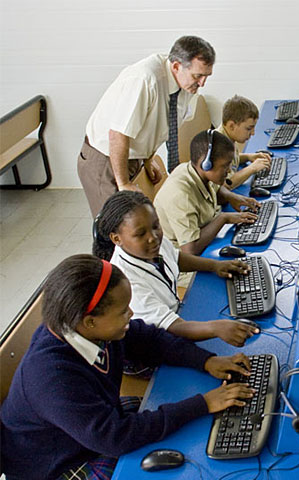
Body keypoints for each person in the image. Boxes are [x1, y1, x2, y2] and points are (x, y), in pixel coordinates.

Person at [0, 254, 255, 480]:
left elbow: (150, 340)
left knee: (172, 420)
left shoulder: (87, 329)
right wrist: (204, 403)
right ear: (90, 322)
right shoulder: (52, 379)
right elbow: (114, 437)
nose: (131, 314)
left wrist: (207, 361)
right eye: (123, 311)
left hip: (89, 428)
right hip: (59, 465)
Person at [93, 191, 257, 345]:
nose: (153, 237)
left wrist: (215, 265)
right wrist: (215, 328)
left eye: (156, 226)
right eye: (140, 234)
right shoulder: (129, 284)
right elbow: (173, 326)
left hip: (177, 314)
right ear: (117, 239)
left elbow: (176, 258)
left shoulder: (150, 244)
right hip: (160, 342)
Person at [78, 35, 216, 218]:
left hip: (131, 156)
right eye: (198, 76)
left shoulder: (185, 84)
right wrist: (123, 183)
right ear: (176, 66)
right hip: (106, 159)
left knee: (136, 222)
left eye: (207, 76)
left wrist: (148, 160)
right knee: (118, 226)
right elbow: (118, 134)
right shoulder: (145, 79)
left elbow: (160, 125)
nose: (202, 83)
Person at [154, 130, 259, 255]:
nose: (229, 170)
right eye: (225, 166)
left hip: (203, 237)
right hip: (180, 258)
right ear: (206, 164)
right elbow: (190, 250)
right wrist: (223, 218)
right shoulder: (181, 196)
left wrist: (231, 197)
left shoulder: (197, 171)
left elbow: (215, 189)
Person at [215, 95, 272, 189]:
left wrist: (249, 157)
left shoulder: (227, 135)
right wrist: (252, 168)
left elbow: (233, 160)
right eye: (249, 129)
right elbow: (224, 186)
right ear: (231, 126)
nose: (253, 133)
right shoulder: (218, 148)